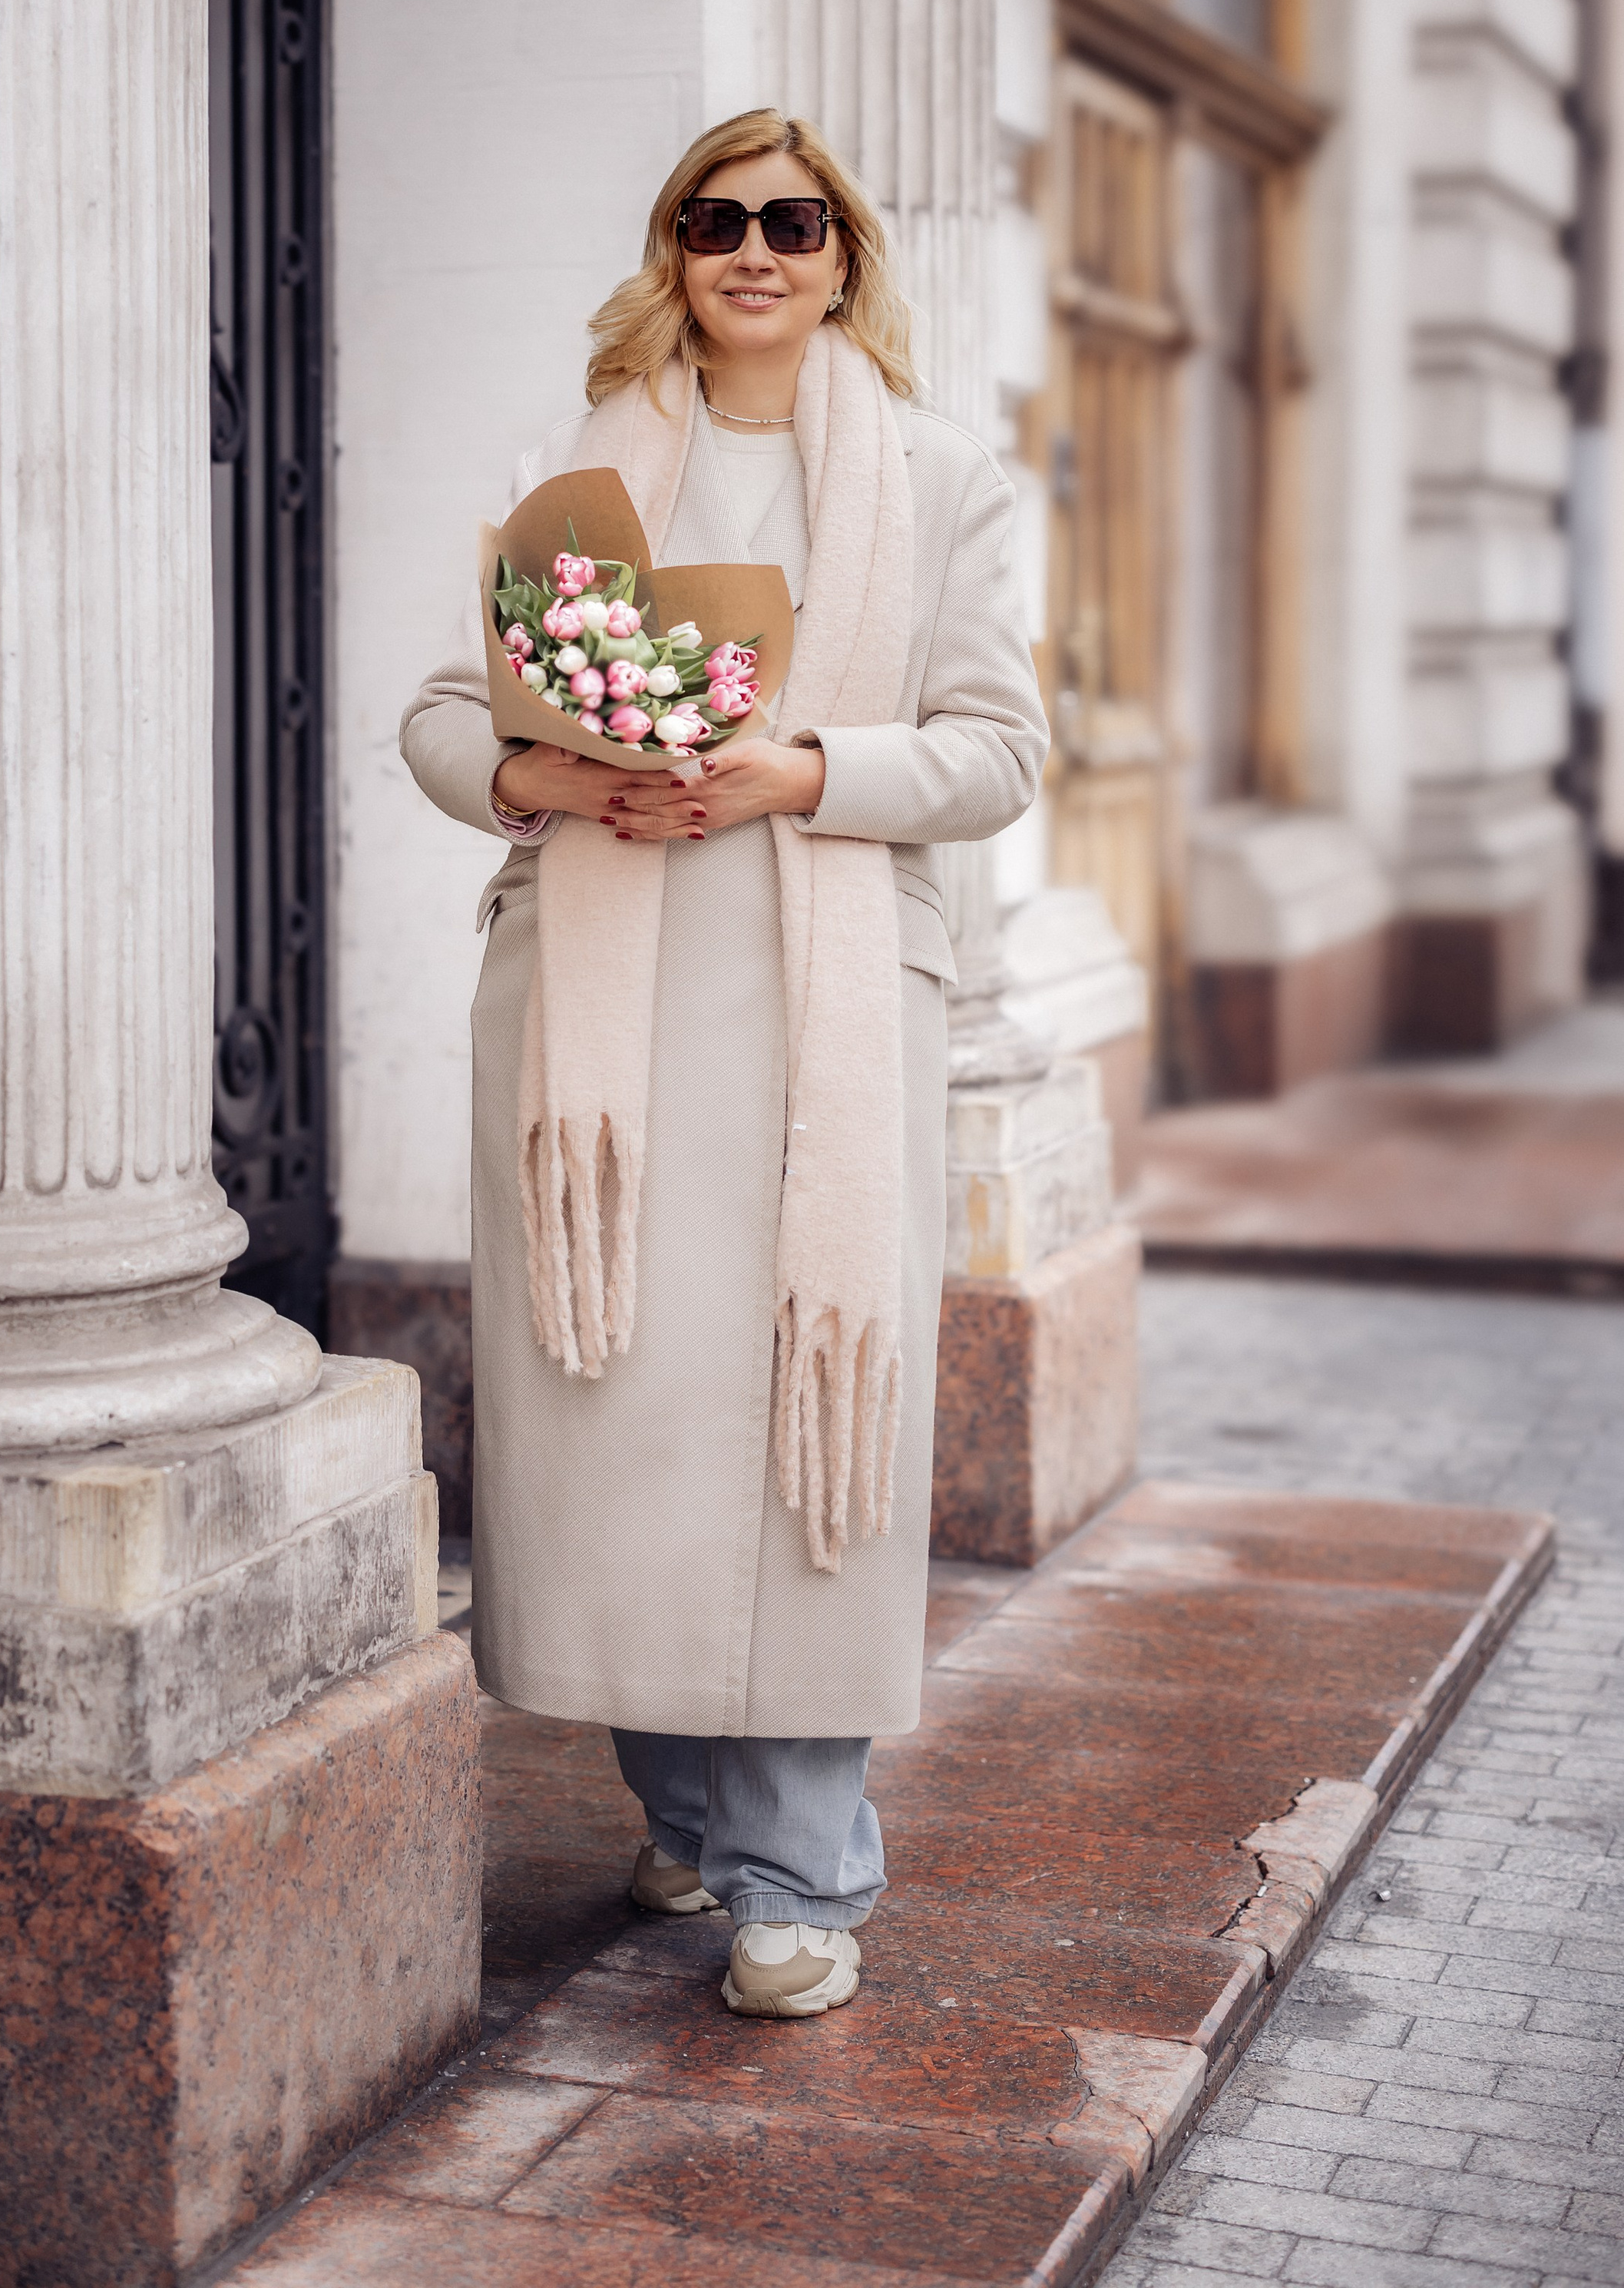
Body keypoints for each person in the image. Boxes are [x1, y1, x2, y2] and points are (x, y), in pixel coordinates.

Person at [400, 108, 1047, 2020]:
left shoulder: (939, 476)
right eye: (712, 219)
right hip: (592, 1022)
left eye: (790, 220)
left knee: (793, 1426)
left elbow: (998, 751)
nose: (752, 250)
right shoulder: (576, 467)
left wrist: (801, 772)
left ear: (842, 257)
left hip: (820, 1001)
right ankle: (681, 1809)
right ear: (671, 250)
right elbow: (441, 718)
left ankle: (795, 1876)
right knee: (617, 1414)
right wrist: (544, 771)